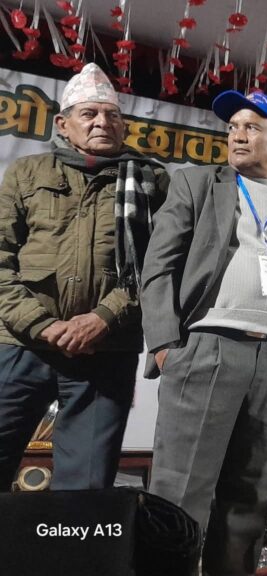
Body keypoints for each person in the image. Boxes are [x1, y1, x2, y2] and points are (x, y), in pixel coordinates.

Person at [141, 90, 267, 574]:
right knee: (181, 490)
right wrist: (165, 346)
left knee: (252, 497)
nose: (238, 135)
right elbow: (158, 267)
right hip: (208, 347)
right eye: (232, 127)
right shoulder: (197, 184)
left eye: (252, 127)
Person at [0, 63, 168, 491]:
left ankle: (69, 541)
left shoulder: (152, 181)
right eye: (89, 114)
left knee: (86, 488)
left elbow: (159, 267)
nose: (102, 123)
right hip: (20, 346)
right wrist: (44, 325)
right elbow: (1, 261)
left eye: (112, 115)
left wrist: (103, 317)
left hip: (106, 350)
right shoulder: (26, 173)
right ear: (63, 123)